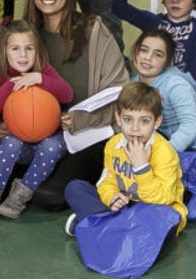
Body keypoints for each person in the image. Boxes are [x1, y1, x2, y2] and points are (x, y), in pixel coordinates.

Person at [23, 0, 128, 211]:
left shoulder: (94, 30)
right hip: (40, 136)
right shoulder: (24, 35)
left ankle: (105, 184)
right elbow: (6, 85)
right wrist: (4, 124)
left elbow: (123, 95)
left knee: (50, 197)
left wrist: (83, 120)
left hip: (88, 135)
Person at [0, 21, 74, 225]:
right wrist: (11, 84)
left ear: (37, 51)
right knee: (11, 142)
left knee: (55, 144)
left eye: (29, 48)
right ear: (4, 51)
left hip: (43, 146)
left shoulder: (44, 71)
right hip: (18, 146)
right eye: (15, 48)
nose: (23, 55)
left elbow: (67, 94)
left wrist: (39, 78)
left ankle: (19, 197)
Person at [64, 82, 187, 238]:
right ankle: (108, 226)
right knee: (75, 188)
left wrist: (141, 167)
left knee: (161, 220)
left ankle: (97, 224)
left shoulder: (165, 153)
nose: (135, 128)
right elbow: (106, 182)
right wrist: (112, 198)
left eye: (144, 121)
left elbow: (163, 200)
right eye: (128, 119)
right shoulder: (113, 145)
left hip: (155, 211)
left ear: (157, 122)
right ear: (118, 118)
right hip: (124, 208)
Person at [130, 30, 196, 170]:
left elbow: (191, 124)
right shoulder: (133, 84)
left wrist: (164, 152)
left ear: (167, 61)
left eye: (158, 54)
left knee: (174, 183)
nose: (147, 58)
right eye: (143, 50)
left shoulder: (175, 85)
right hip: (172, 139)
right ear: (135, 53)